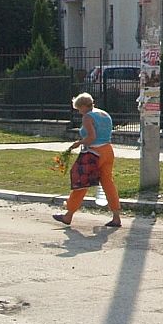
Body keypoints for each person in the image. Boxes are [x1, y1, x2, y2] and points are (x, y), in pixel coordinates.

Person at [53, 92, 123, 228]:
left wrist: (78, 143)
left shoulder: (88, 117)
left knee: (82, 182)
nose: (79, 112)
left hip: (94, 153)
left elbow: (91, 137)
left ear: (84, 106)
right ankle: (116, 216)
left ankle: (68, 214)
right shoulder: (104, 114)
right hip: (108, 150)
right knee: (108, 182)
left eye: (79, 108)